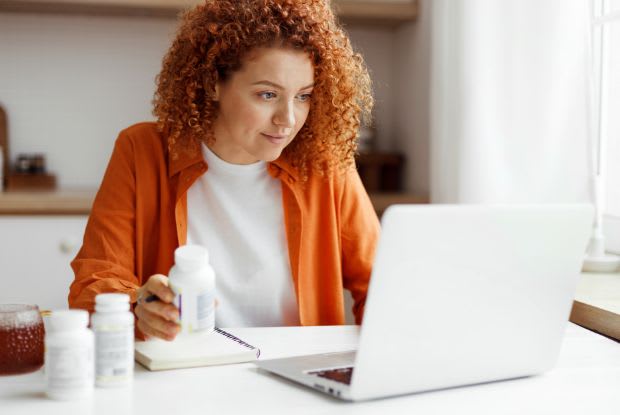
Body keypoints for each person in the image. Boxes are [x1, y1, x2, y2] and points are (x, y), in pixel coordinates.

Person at [69, 0, 380, 341]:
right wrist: (137, 306)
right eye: (267, 94)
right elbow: (93, 283)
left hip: (297, 374)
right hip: (185, 372)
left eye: (304, 96)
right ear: (213, 83)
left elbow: (383, 286)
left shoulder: (324, 162)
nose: (288, 120)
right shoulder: (143, 151)